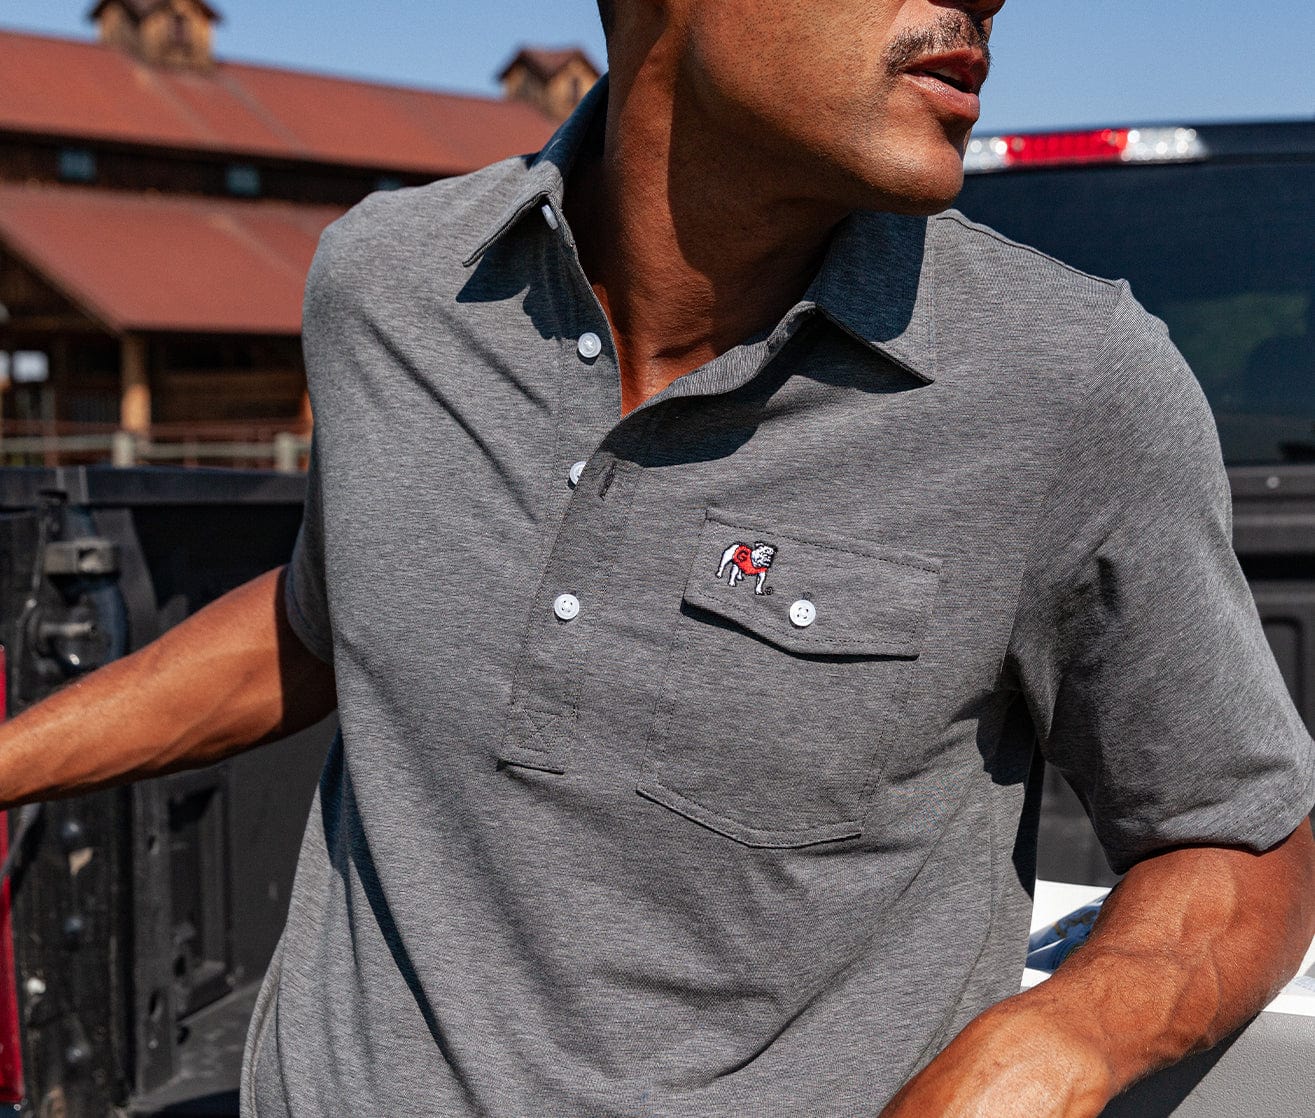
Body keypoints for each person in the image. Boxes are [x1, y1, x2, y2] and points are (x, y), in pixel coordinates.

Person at [2, 1, 1313, 1115]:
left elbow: (1242, 836)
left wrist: (1061, 1040)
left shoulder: (1071, 386)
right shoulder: (385, 289)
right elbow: (322, 620)